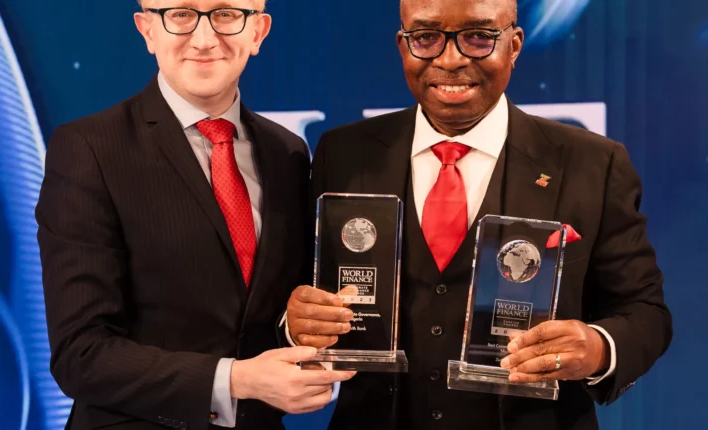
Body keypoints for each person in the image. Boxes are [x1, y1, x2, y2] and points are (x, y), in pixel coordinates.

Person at [285, 0, 672, 428]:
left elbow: (645, 312)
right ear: (402, 45)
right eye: (426, 38)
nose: (450, 60)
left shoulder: (592, 163)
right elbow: (295, 291)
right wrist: (295, 322)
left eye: (478, 37)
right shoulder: (343, 153)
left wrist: (596, 348)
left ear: (514, 45)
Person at [36, 1, 353, 429]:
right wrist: (236, 380)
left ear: (258, 32)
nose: (204, 40)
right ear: (147, 29)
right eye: (181, 14)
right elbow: (81, 354)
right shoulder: (89, 149)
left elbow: (269, 315)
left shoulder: (287, 152)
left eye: (226, 14)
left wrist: (298, 333)